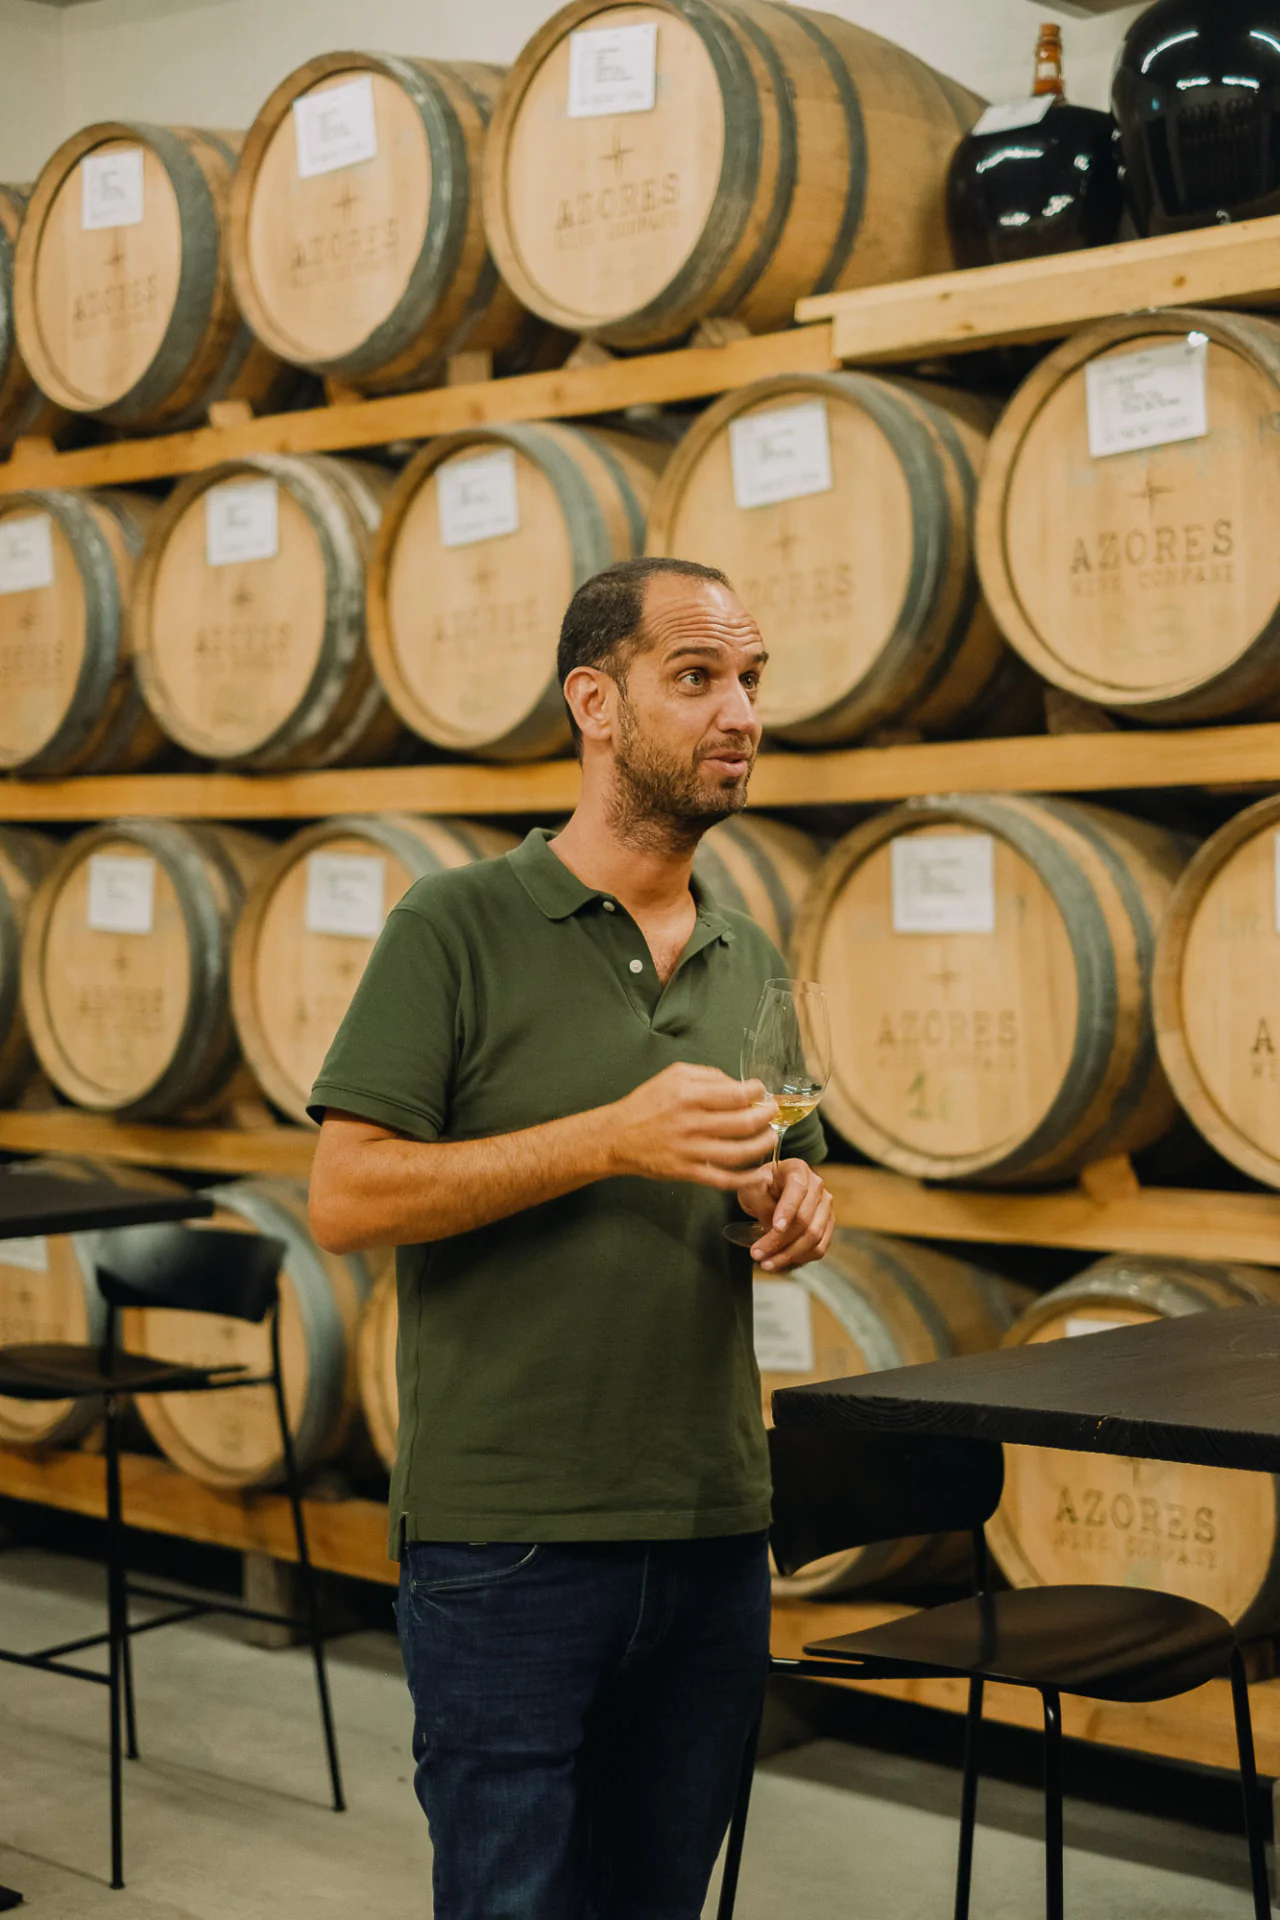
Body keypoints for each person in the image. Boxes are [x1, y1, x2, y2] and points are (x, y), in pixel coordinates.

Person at [307, 555, 835, 1920]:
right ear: (594, 702)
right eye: (699, 676)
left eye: (753, 680)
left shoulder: (750, 955)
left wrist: (793, 1205)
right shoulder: (457, 926)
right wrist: (608, 1138)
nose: (741, 713)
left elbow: (788, 1175)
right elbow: (348, 1196)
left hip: (717, 1524)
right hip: (509, 1543)